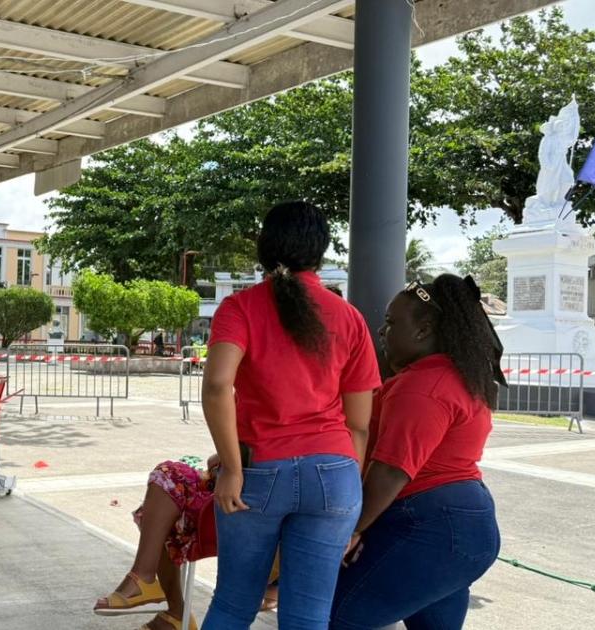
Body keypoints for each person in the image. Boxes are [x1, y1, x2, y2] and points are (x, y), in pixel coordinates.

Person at [201, 201, 380, 629]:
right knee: (308, 616)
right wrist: (345, 491)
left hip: (259, 472)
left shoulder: (241, 308)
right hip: (335, 474)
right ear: (321, 250)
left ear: (265, 246)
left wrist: (231, 468)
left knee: (233, 605)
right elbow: (359, 424)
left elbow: (217, 386)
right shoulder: (349, 317)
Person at [329, 275, 506, 629]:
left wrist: (349, 532)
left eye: (391, 322)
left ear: (424, 330)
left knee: (330, 618)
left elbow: (391, 471)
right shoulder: (457, 377)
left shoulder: (423, 387)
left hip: (430, 527)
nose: (382, 331)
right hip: (461, 526)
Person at [93, 456, 279, 629]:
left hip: (248, 503)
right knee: (166, 486)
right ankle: (166, 604)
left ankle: (165, 603)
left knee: (168, 497)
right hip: (234, 490)